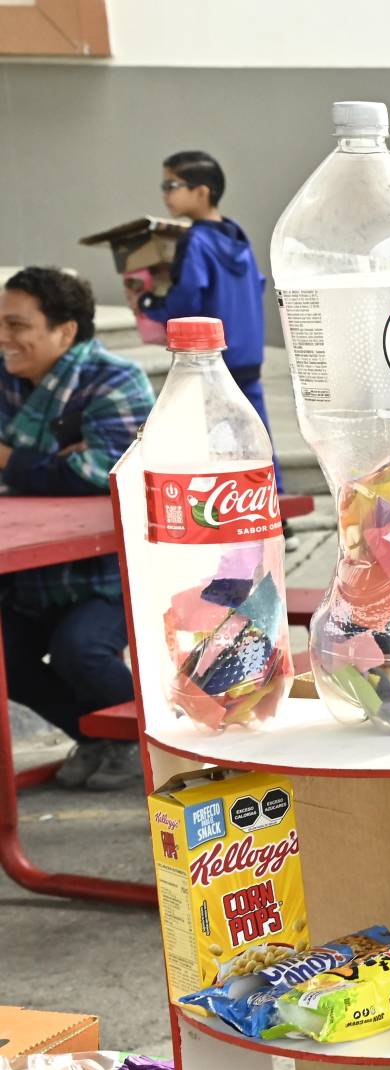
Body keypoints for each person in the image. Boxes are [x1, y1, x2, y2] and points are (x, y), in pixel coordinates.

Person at [0, 268, 154, 790]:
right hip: (26, 566)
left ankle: (142, 740)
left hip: (107, 566)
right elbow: (68, 470)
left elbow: (107, 473)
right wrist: (51, 461)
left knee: (79, 649)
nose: (3, 338)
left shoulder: (115, 379)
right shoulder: (6, 380)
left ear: (65, 331)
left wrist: (11, 461)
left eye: (17, 325)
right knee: (7, 659)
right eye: (0, 323)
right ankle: (98, 738)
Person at [139, 151, 272, 434]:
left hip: (212, 359)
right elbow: (257, 285)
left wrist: (149, 302)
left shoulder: (195, 240)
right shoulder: (237, 237)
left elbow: (186, 301)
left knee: (214, 444)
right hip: (248, 356)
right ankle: (274, 482)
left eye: (171, 186)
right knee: (255, 438)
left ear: (201, 192)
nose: (165, 194)